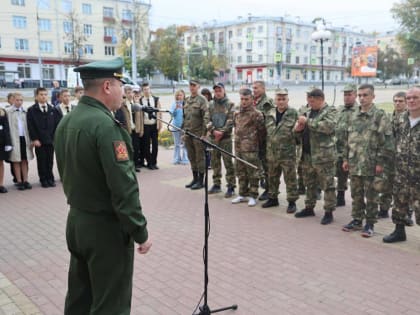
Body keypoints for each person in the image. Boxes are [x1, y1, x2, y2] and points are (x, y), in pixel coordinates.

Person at [54, 57, 151, 315]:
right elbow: (123, 188)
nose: (123, 92)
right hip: (105, 229)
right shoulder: (105, 127)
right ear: (107, 86)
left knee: (79, 297)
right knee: (111, 304)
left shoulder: (68, 120)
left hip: (77, 221)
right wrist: (139, 230)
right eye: (120, 84)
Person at [342, 84, 394, 237]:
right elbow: (347, 139)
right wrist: (345, 159)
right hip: (355, 162)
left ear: (373, 97)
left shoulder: (379, 116)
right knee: (356, 193)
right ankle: (357, 220)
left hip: (372, 164)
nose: (362, 98)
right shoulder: (353, 115)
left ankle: (370, 223)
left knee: (372, 195)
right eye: (360, 95)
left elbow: (387, 142)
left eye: (365, 95)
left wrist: (380, 162)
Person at [294, 89, 337, 225]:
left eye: (312, 101)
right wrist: (297, 130)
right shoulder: (307, 111)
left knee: (327, 184)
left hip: (324, 156)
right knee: (309, 183)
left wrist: (307, 122)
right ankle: (309, 207)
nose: (310, 104)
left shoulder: (331, 111)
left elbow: (328, 127)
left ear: (320, 99)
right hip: (307, 154)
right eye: (308, 101)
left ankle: (328, 211)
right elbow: (298, 132)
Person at [383, 86, 420, 243]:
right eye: (409, 98)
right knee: (399, 202)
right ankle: (399, 231)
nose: (411, 101)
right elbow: (391, 141)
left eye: (415, 98)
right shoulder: (399, 120)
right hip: (401, 172)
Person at [262, 88, 298, 213]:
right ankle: (273, 198)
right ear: (275, 100)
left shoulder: (293, 113)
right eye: (279, 99)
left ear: (288, 99)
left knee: (290, 178)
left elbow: (298, 134)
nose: (281, 101)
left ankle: (292, 201)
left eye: (283, 99)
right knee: (272, 177)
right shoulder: (269, 113)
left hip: (287, 153)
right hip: (271, 152)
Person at [231, 88, 266, 207]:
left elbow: (262, 132)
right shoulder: (237, 112)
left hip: (251, 148)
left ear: (252, 99)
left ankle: (253, 195)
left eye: (246, 99)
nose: (244, 101)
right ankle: (242, 194)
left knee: (252, 172)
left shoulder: (257, 114)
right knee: (240, 171)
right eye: (242, 99)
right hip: (238, 147)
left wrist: (256, 144)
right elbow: (236, 127)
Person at [377, 92, 409, 220]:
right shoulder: (388, 118)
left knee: (404, 188)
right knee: (386, 184)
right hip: (389, 158)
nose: (398, 103)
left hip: (405, 160)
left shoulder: (410, 119)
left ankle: (406, 212)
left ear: (406, 103)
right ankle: (383, 209)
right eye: (395, 101)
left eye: (401, 101)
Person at [27, 87, 62, 188]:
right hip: (39, 140)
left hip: (50, 140)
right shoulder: (32, 110)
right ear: (36, 96)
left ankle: (50, 178)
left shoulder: (52, 109)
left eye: (45, 94)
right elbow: (31, 126)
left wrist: (55, 138)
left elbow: (56, 124)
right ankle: (43, 179)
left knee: (50, 160)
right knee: (41, 160)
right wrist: (35, 139)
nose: (43, 96)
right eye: (41, 94)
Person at [206, 82, 236, 198]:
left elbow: (231, 120)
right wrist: (213, 131)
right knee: (215, 162)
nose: (217, 93)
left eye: (220, 90)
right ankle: (216, 184)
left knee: (228, 163)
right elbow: (206, 119)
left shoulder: (230, 104)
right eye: (216, 91)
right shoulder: (210, 105)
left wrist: (222, 132)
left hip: (226, 139)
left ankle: (231, 186)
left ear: (224, 91)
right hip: (214, 138)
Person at [183, 79, 208, 190]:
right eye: (190, 85)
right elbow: (185, 118)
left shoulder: (202, 100)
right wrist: (183, 131)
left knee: (199, 158)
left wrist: (204, 134)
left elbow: (206, 118)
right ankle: (195, 178)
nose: (192, 87)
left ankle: (201, 181)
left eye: (194, 85)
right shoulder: (187, 100)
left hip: (198, 134)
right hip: (188, 133)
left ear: (198, 86)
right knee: (191, 157)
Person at [335, 84, 358, 207]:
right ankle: (340, 196)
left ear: (355, 95)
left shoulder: (359, 111)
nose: (347, 97)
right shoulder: (339, 110)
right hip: (339, 147)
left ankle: (358, 203)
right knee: (340, 172)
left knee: (354, 176)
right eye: (345, 95)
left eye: (349, 94)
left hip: (354, 148)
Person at [6, 92, 34, 190]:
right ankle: (19, 181)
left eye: (21, 100)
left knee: (25, 160)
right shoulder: (8, 111)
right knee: (16, 160)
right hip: (14, 139)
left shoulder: (26, 111)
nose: (19, 102)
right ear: (13, 100)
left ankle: (25, 180)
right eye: (17, 100)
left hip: (24, 138)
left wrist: (31, 139)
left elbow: (29, 126)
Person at [252, 80, 274, 201]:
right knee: (257, 163)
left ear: (263, 89)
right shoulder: (252, 101)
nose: (254, 90)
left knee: (267, 165)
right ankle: (262, 183)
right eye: (253, 88)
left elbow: (270, 120)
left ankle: (269, 189)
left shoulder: (268, 103)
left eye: (256, 88)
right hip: (254, 139)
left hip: (265, 139)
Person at [139, 83, 162, 170]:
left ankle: (154, 162)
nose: (147, 91)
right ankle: (149, 162)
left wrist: (159, 124)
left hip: (154, 125)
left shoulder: (155, 99)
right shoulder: (141, 101)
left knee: (155, 145)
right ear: (142, 91)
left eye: (148, 89)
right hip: (146, 125)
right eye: (145, 89)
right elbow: (140, 115)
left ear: (150, 89)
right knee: (146, 145)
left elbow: (159, 113)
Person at [120, 85, 143, 172]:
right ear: (125, 94)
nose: (130, 94)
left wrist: (141, 129)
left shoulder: (135, 104)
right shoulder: (122, 104)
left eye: (131, 92)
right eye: (128, 93)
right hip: (128, 130)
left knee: (136, 148)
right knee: (129, 149)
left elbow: (140, 118)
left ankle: (136, 165)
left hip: (135, 129)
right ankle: (129, 166)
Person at [169, 89, 189, 165]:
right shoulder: (174, 104)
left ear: (184, 95)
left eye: (180, 95)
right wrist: (175, 108)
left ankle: (185, 159)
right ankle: (176, 158)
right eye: (178, 95)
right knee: (177, 144)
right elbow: (171, 114)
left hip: (185, 127)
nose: (179, 97)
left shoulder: (186, 103)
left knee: (185, 144)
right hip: (176, 126)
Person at [0, 106, 12, 193]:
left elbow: (6, 128)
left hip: (1, 142)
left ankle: (0, 184)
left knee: (0, 163)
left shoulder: (2, 111)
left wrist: (8, 143)